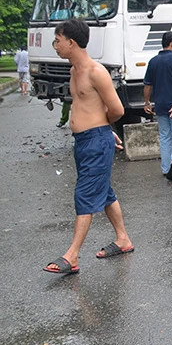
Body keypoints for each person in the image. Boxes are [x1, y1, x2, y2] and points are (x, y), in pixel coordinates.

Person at [43, 19, 133, 275]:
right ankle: (123, 239)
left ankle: (71, 255)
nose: (55, 46)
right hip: (85, 141)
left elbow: (117, 109)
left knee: (84, 194)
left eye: (57, 41)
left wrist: (103, 131)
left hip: (95, 141)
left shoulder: (96, 71)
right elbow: (89, 107)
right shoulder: (74, 71)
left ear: (71, 42)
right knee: (103, 192)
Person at [143, 31, 172, 181]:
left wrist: (147, 102)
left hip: (160, 105)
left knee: (165, 136)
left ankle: (166, 168)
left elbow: (147, 85)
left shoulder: (153, 61)